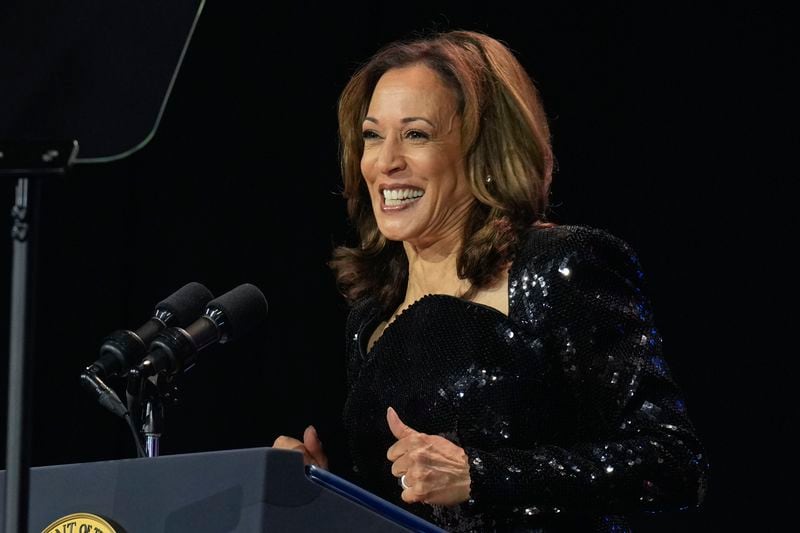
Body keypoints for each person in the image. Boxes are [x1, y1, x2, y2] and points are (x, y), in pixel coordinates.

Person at [273, 29, 708, 532]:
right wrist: (324, 489)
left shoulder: (558, 267)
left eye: (416, 134)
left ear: (482, 149)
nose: (385, 162)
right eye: (373, 135)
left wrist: (481, 474)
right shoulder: (371, 316)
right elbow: (409, 505)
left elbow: (674, 462)